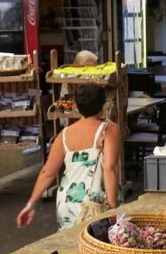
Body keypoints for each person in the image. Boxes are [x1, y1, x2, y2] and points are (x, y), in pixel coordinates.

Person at [17, 84, 120, 230]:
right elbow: (110, 168)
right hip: (96, 202)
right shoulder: (109, 129)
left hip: (68, 202)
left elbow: (48, 173)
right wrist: (112, 206)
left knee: (71, 248)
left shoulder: (64, 135)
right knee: (97, 248)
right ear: (103, 105)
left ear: (77, 106)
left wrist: (30, 204)